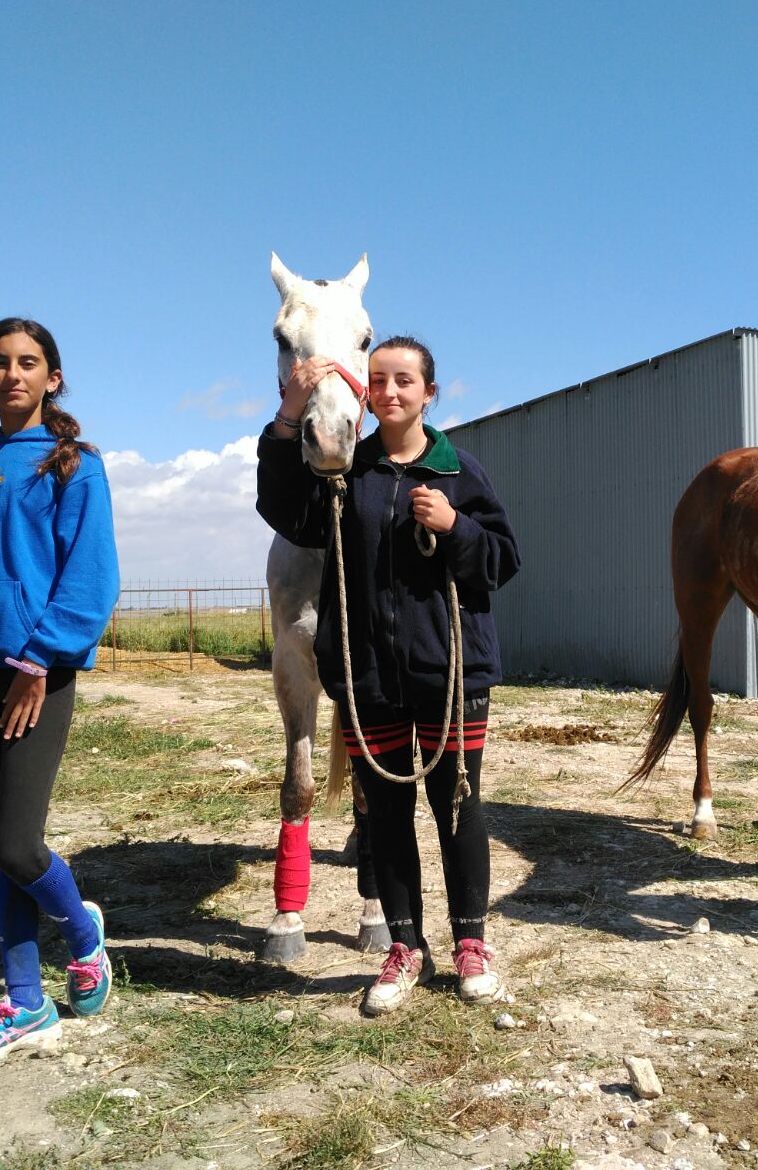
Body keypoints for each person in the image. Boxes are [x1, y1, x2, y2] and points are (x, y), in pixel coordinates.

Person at [257, 336, 521, 1016]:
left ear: (430, 392)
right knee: (390, 816)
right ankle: (404, 947)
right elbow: (284, 510)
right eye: (379, 380)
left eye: (405, 380)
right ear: (365, 393)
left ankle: (471, 942)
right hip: (369, 675)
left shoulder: (460, 471)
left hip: (449, 673)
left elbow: (501, 561)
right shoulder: (344, 475)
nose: (391, 391)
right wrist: (289, 416)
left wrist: (457, 526)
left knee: (458, 808)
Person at [0, 318, 121, 1066]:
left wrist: (39, 661)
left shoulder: (76, 465)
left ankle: (82, 935)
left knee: (16, 843)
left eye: (29, 363)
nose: (14, 374)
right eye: (0, 363)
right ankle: (24, 1002)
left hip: (34, 677)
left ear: (52, 377)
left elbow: (91, 578)